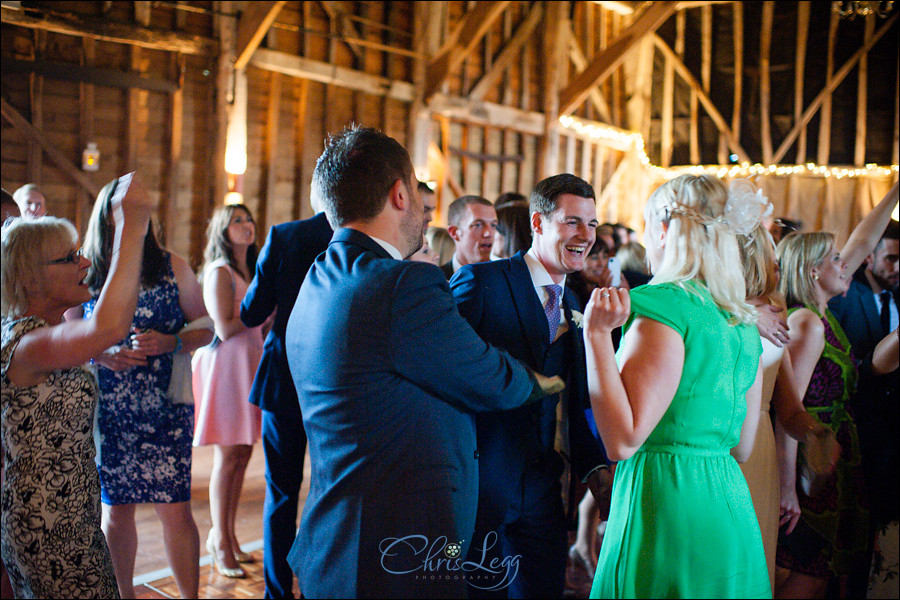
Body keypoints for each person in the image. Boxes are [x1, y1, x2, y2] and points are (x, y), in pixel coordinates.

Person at [284, 125, 561, 598]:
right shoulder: (399, 285)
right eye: (416, 192)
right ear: (398, 194)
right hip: (394, 551)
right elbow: (487, 377)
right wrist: (546, 380)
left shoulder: (319, 275)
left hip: (336, 539)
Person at [584, 173, 770, 598]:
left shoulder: (661, 306)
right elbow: (742, 447)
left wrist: (595, 337)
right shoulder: (740, 320)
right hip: (728, 503)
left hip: (667, 501)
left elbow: (623, 441)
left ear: (665, 230)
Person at [450, 173, 610, 598]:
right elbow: (446, 375)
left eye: (592, 224)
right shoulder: (482, 283)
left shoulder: (576, 303)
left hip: (544, 488)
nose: (585, 235)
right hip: (480, 484)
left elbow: (578, 399)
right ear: (538, 223)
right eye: (573, 222)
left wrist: (595, 468)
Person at [1, 173, 154, 598]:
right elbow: (108, 327)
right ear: (30, 277)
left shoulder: (41, 334)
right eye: (69, 258)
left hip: (72, 511)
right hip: (46, 521)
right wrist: (131, 227)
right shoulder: (25, 342)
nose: (85, 263)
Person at [71, 180, 213, 599]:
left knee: (176, 510)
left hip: (166, 408)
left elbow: (207, 329)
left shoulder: (172, 266)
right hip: (109, 410)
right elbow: (65, 334)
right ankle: (123, 595)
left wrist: (172, 342)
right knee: (116, 511)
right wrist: (101, 352)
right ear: (105, 214)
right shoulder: (86, 269)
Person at [774, 182, 898, 600]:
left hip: (832, 455)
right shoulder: (806, 323)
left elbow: (864, 239)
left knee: (818, 574)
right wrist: (788, 487)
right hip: (812, 457)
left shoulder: (824, 317)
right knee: (805, 575)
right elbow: (788, 412)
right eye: (835, 259)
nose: (845, 265)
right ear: (813, 271)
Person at [240, 202, 333, 599]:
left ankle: (277, 593)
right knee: (332, 490)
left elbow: (251, 312)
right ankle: (324, 585)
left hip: (286, 375)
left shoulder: (285, 236)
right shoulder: (366, 240)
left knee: (281, 492)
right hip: (339, 379)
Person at [192, 203, 264, 579]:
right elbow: (223, 327)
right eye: (237, 220)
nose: (246, 225)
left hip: (250, 365)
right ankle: (219, 540)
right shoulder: (220, 272)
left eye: (249, 218)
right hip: (227, 367)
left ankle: (230, 534)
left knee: (243, 453)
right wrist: (263, 313)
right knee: (228, 454)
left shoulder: (250, 270)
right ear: (223, 229)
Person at [828, 219, 898, 598]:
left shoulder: (896, 296)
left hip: (889, 431)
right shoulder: (843, 295)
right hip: (849, 427)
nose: (898, 267)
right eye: (892, 258)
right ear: (869, 259)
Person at [441, 195, 497, 279]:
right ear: (454, 233)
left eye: (493, 225)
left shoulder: (504, 278)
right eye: (478, 225)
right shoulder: (435, 281)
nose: (488, 233)